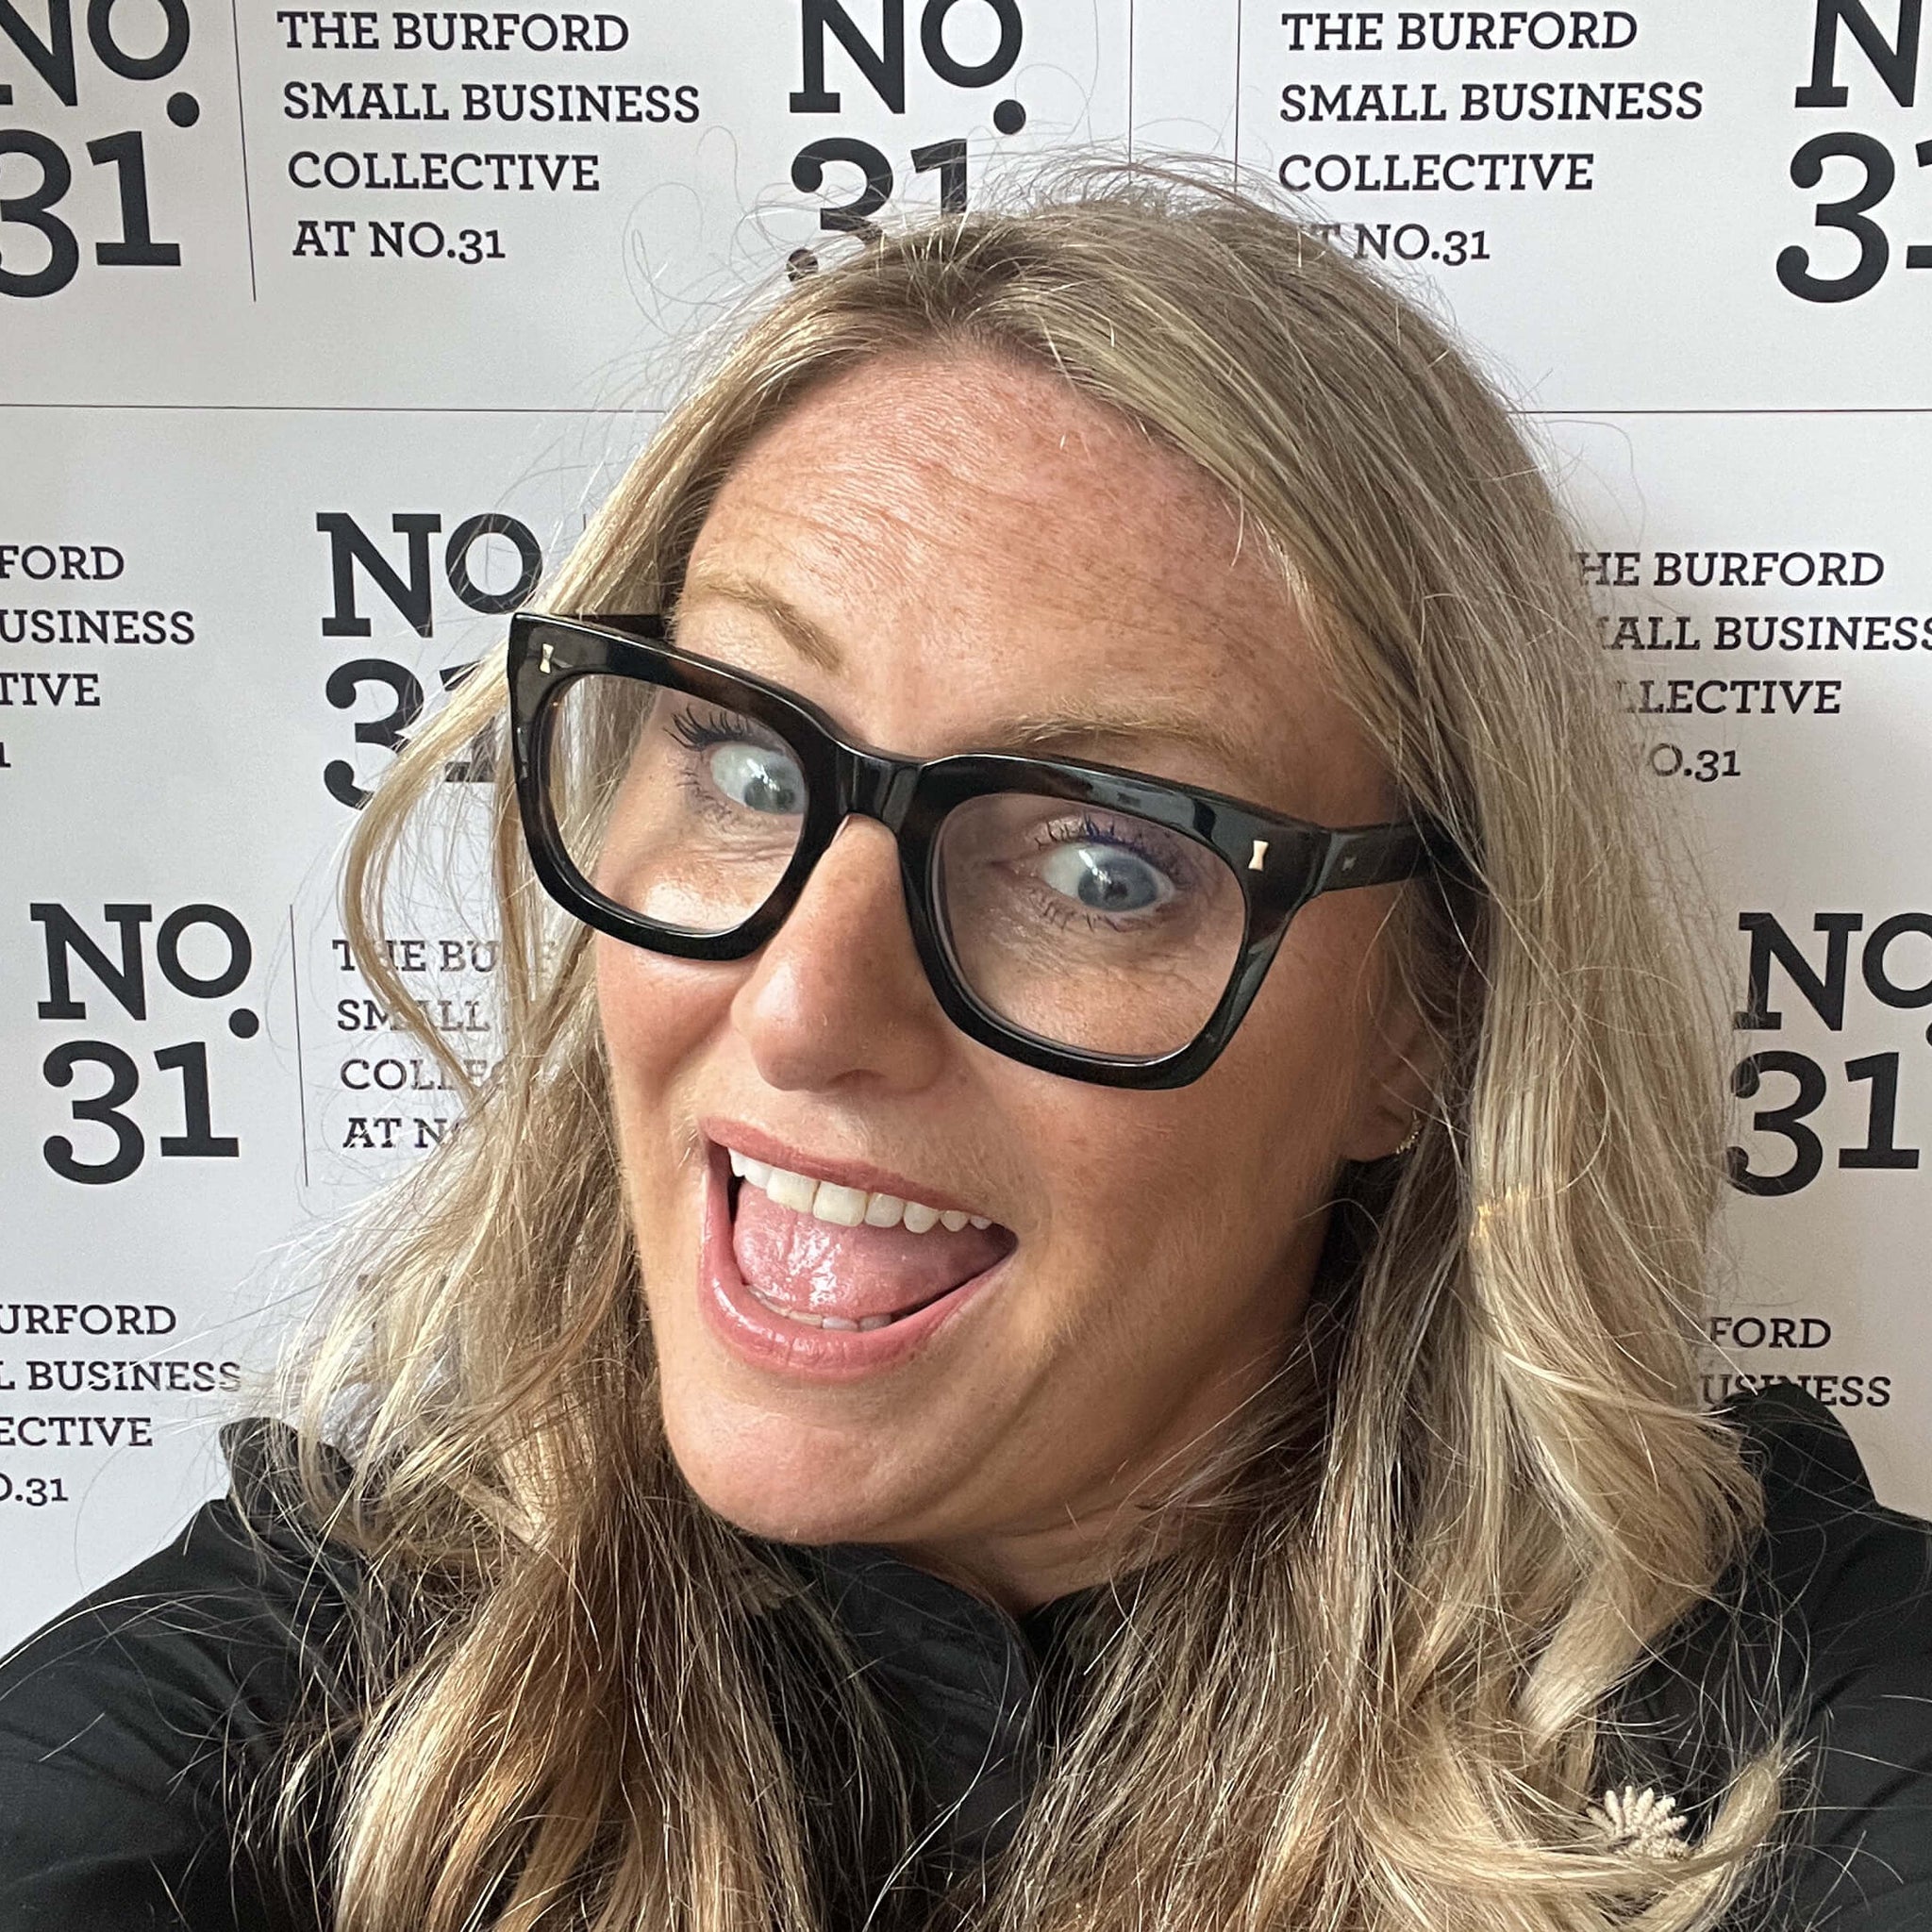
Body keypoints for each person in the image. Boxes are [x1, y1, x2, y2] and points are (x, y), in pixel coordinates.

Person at [4, 159, 1931, 1932]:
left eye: (1103, 863)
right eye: (749, 763)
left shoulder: (1785, 1719)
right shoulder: (318, 1658)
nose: (800, 1006)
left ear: (1422, 1017)